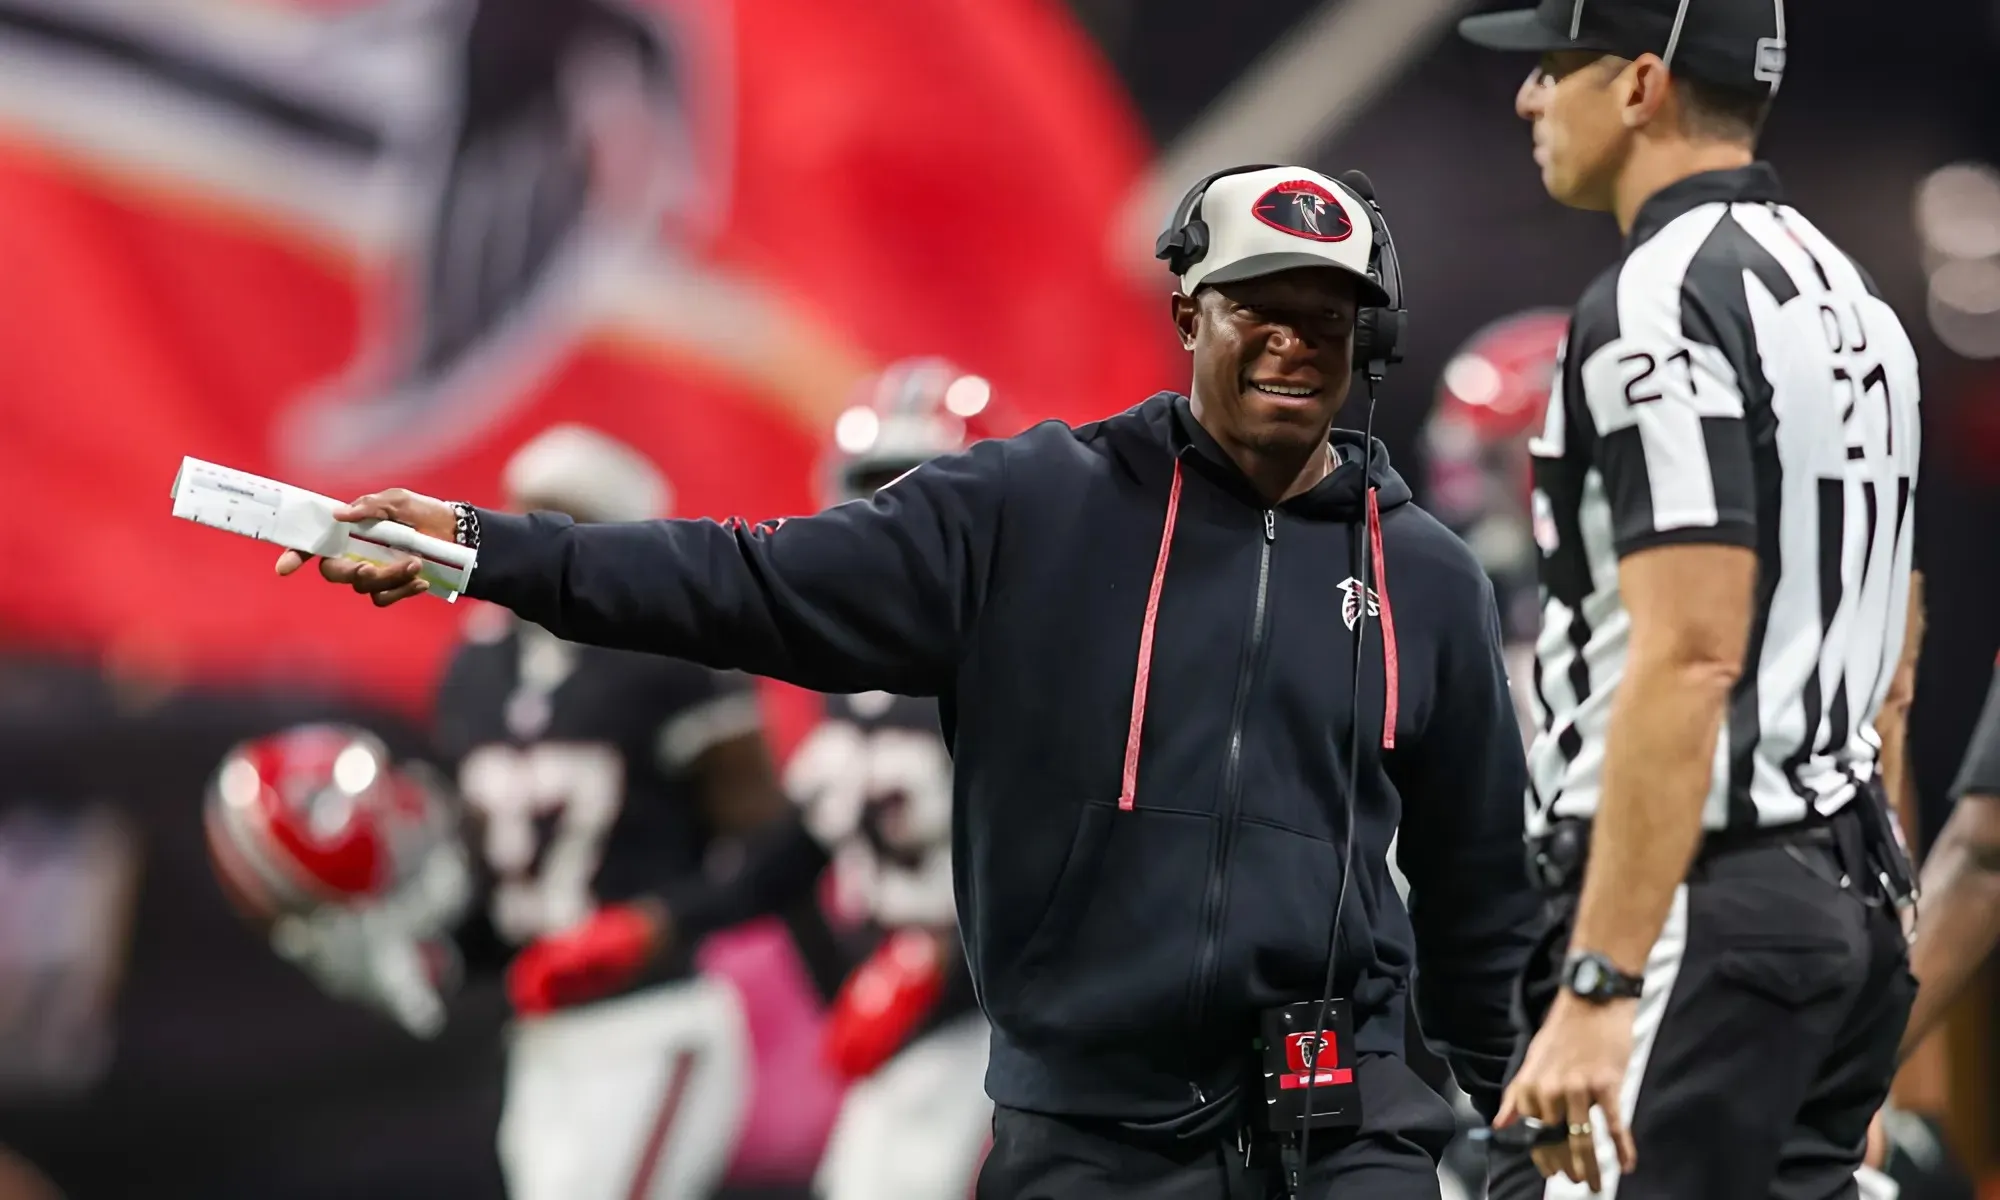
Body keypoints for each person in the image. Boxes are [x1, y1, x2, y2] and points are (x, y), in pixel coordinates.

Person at [276, 162, 1541, 1197]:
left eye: (1323, 313)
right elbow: (741, 581)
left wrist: (1505, 1099)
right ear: (1186, 311)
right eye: (1253, 302)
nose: (1289, 339)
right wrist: (486, 549)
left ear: (1365, 338)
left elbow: (1473, 878)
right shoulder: (1037, 508)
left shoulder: (1423, 577)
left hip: (1339, 1122)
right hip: (1091, 1127)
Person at [1458, 0, 1924, 1194]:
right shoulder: (1852, 300)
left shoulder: (1656, 301)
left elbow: (1691, 654)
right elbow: (1891, 650)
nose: (1526, 98)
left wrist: (1600, 981)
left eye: (1554, 65)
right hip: (1843, 891)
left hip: (1697, 902)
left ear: (1639, 85)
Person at [240, 424, 795, 1200]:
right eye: (530, 515)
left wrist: (654, 926)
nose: (539, 542)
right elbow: (496, 876)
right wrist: (427, 953)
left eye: (566, 522)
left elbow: (777, 845)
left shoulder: (675, 652)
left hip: (653, 1019)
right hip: (541, 1039)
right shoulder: (477, 667)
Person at [521, 359, 1001, 1200]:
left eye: (928, 498)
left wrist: (942, 969)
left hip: (1011, 1039)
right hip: (912, 1041)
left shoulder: (1037, 673)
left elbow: (1095, 869)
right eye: (879, 497)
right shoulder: (862, 677)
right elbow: (797, 850)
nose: (900, 530)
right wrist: (658, 923)